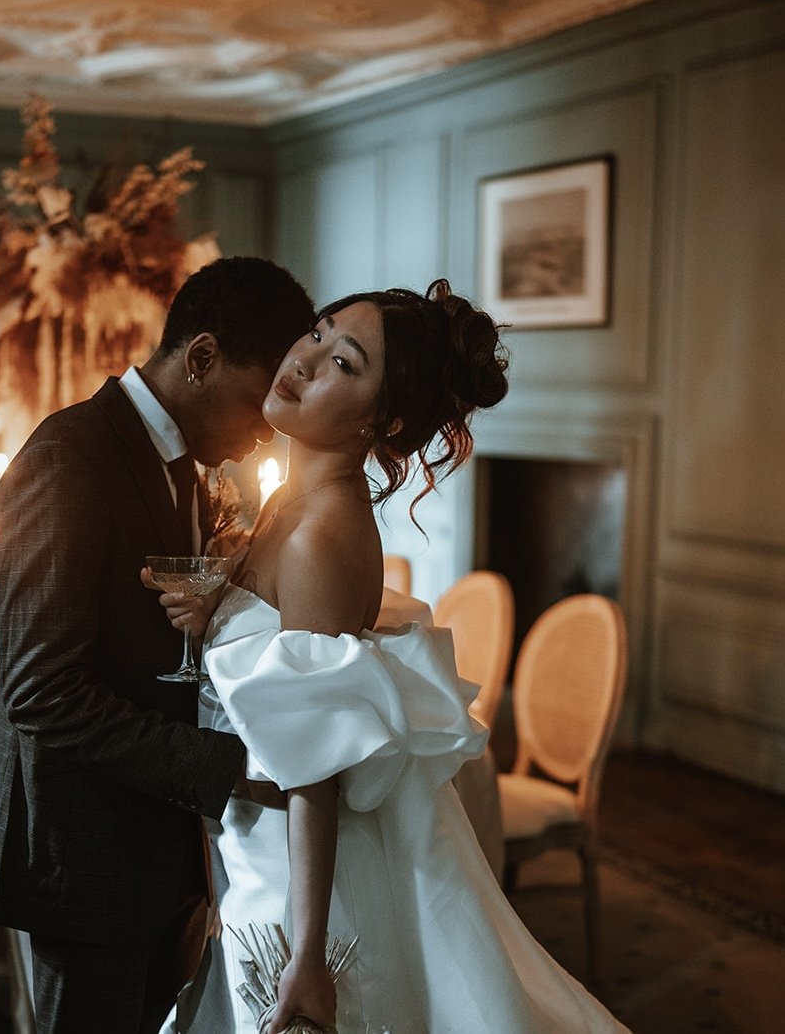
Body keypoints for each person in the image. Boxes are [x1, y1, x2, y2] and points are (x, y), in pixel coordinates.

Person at [156, 281, 630, 1033]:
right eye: (317, 332)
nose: (305, 360)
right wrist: (222, 607)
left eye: (344, 362)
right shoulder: (290, 505)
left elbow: (317, 764)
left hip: (293, 872)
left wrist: (307, 955)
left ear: (387, 419)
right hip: (249, 841)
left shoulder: (321, 533)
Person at [0, 256, 316, 1034]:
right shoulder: (67, 460)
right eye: (261, 403)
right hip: (79, 855)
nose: (268, 430)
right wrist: (224, 766)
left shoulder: (190, 467)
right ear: (200, 356)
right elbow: (42, 693)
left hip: (157, 848)